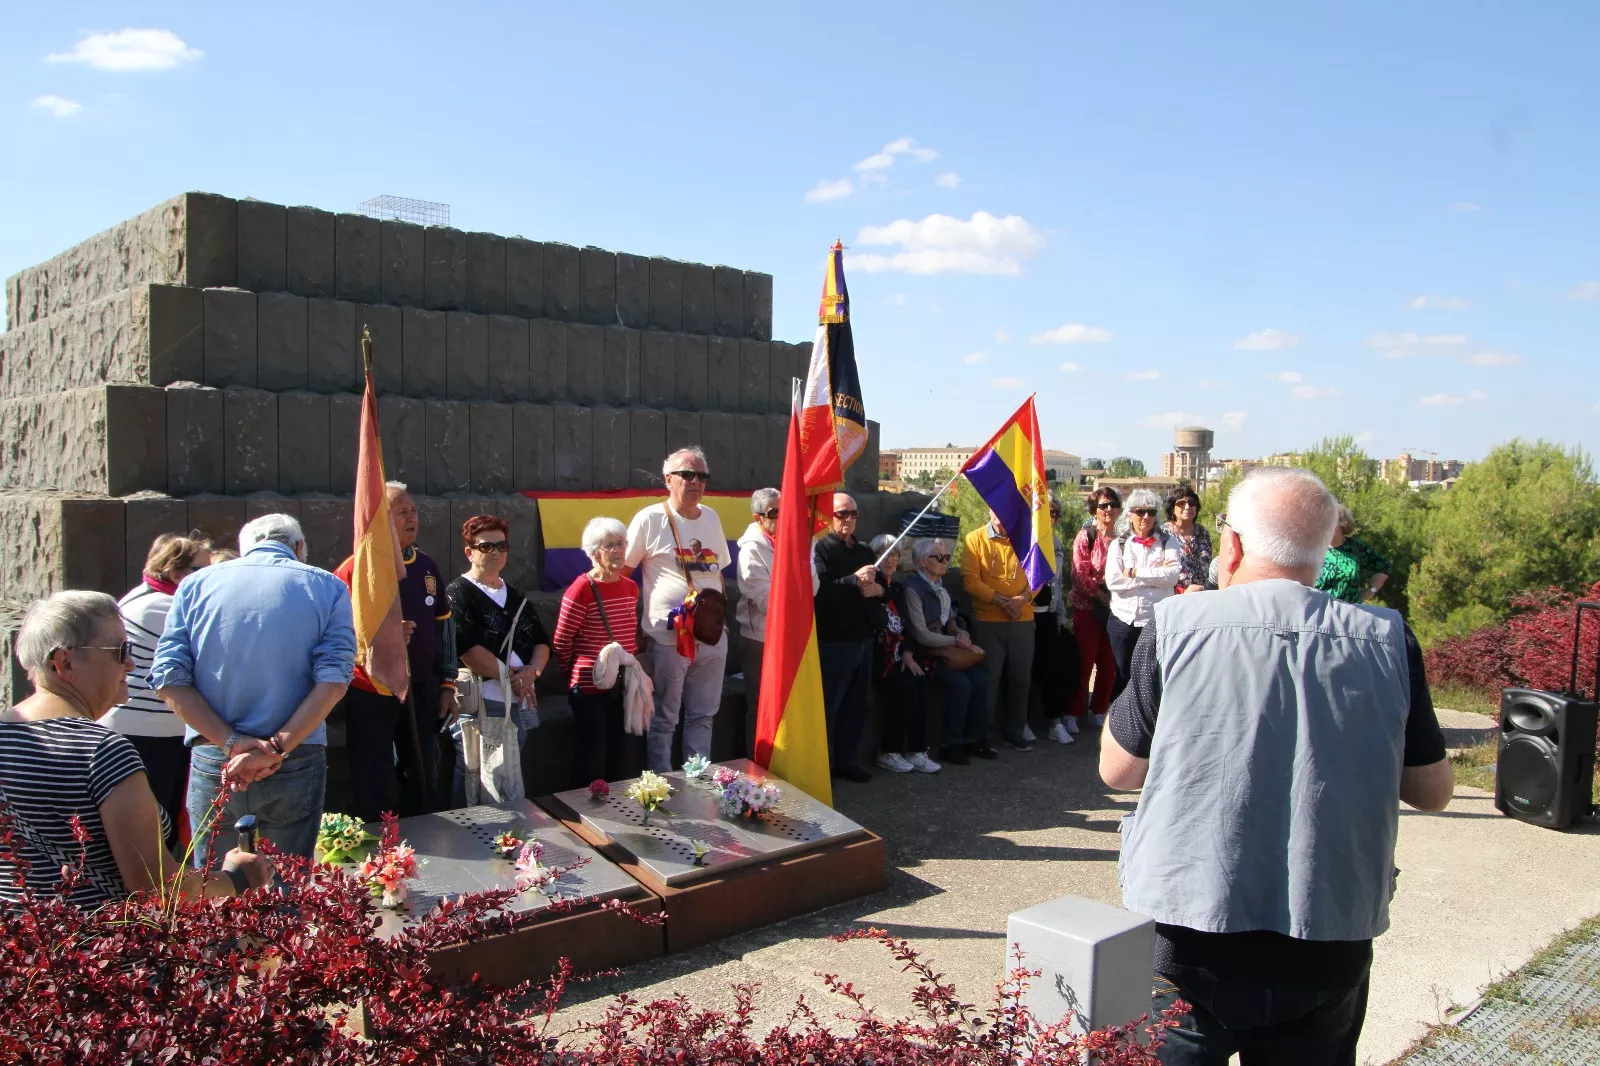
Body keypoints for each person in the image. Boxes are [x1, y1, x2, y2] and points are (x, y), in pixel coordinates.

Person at [1101, 466, 1453, 1065]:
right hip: (1329, 938)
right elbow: (1432, 789)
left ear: (1231, 544)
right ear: (1324, 551)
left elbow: (1118, 770)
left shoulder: (1177, 626)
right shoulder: (1390, 637)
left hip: (1193, 939)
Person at [1, 592, 275, 906]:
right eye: (120, 650)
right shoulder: (102, 752)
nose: (131, 664)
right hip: (97, 949)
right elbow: (156, 887)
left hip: (20, 947)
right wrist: (239, 877)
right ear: (65, 663)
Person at [150, 514, 355, 862]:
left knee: (212, 888)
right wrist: (277, 746)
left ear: (246, 549)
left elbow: (168, 677)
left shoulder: (195, 585)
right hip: (295, 754)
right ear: (299, 547)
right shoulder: (328, 586)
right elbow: (334, 680)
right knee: (285, 887)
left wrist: (231, 742)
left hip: (216, 754)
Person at [333, 482, 458, 820]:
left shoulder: (427, 566)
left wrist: (447, 682)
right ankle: (376, 848)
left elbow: (443, 626)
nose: (411, 517)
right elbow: (337, 632)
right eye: (401, 511)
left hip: (421, 688)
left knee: (421, 771)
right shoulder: (355, 569)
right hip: (372, 691)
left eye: (413, 510)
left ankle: (424, 835)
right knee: (373, 775)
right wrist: (384, 636)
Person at [626, 446, 732, 773]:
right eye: (688, 475)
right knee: (664, 718)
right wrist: (634, 632)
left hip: (712, 637)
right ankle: (661, 786)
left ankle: (696, 781)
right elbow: (624, 575)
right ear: (668, 479)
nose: (696, 481)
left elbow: (719, 574)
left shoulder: (712, 517)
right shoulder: (649, 518)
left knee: (703, 715)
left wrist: (718, 620)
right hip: (670, 638)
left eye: (702, 476)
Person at [104, 532, 212, 852]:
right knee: (154, 833)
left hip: (135, 730)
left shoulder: (138, 597)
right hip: (153, 735)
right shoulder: (166, 609)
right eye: (203, 571)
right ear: (178, 574)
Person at [446, 514, 551, 806]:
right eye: (486, 547)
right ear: (469, 552)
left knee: (509, 773)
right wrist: (513, 678)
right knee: (473, 770)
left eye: (501, 546)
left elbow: (543, 641)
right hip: (481, 701)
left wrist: (532, 672)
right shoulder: (458, 593)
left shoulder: (516, 596)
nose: (495, 552)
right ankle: (466, 833)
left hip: (518, 701)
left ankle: (506, 837)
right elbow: (465, 648)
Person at [553, 516, 644, 788]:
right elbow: (562, 639)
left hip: (623, 683)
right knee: (590, 753)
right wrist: (577, 671)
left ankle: (616, 808)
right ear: (593, 552)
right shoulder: (581, 589)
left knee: (620, 749)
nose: (617, 551)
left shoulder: (631, 587)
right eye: (609, 545)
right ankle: (584, 810)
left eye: (621, 544)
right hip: (589, 685)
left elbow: (631, 632)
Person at [812, 492, 884, 783]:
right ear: (829, 517)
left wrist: (877, 589)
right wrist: (855, 580)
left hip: (864, 637)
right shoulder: (820, 550)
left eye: (854, 513)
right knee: (831, 704)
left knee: (858, 704)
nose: (849, 519)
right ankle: (822, 766)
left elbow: (883, 587)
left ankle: (847, 760)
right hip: (835, 639)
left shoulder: (865, 550)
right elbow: (821, 592)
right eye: (842, 513)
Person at [903, 537, 991, 766]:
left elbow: (950, 618)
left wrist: (960, 632)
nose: (945, 562)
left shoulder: (939, 587)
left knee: (981, 681)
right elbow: (921, 634)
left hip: (948, 648)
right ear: (923, 562)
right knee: (961, 685)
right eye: (939, 557)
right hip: (927, 654)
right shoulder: (913, 590)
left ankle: (972, 739)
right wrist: (955, 640)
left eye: (947, 557)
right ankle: (951, 744)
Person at [962, 509, 1037, 752]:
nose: (1000, 513)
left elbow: (1038, 577)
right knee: (989, 679)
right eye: (995, 507)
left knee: (1021, 678)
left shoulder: (1029, 539)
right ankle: (984, 736)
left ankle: (1015, 731)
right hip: (988, 620)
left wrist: (1021, 600)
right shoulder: (974, 539)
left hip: (1022, 618)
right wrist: (1000, 600)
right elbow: (970, 580)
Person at [868, 535, 940, 774]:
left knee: (921, 683)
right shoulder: (869, 589)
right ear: (874, 557)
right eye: (883, 553)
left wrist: (908, 652)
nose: (889, 559)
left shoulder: (897, 589)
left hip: (901, 658)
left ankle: (917, 751)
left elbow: (908, 626)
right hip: (879, 661)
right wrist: (881, 593)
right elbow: (876, 624)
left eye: (894, 554)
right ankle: (889, 751)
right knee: (905, 688)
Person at [1103, 489, 1181, 702]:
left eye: (1151, 512)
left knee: (1151, 675)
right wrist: (1157, 577)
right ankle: (1119, 725)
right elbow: (1114, 582)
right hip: (1123, 619)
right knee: (1122, 675)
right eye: (1140, 511)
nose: (1146, 517)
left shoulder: (1168, 542)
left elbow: (1173, 576)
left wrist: (1136, 573)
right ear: (1129, 514)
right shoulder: (1118, 544)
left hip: (1155, 619)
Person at [1070, 487, 1121, 728]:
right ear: (1094, 510)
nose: (1108, 509)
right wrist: (1102, 596)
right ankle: (1073, 711)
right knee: (1083, 662)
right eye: (1103, 506)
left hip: (1117, 609)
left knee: (1109, 664)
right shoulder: (1086, 536)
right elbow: (1080, 574)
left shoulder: (1124, 539)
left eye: (1112, 504)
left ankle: (1100, 709)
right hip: (1088, 608)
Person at [736, 487, 781, 758]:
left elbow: (812, 588)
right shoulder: (751, 549)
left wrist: (807, 546)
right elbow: (766, 601)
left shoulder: (795, 541)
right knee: (760, 706)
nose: (782, 518)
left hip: (789, 637)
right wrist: (794, 591)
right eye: (774, 513)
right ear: (758, 518)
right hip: (759, 639)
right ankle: (757, 764)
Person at [1032, 498, 1080, 746]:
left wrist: (1060, 616)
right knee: (1025, 671)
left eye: (1054, 513)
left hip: (1049, 614)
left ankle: (1055, 722)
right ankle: (1023, 724)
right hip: (1025, 614)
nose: (1050, 517)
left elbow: (1058, 585)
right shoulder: (1023, 541)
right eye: (1045, 512)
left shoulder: (1056, 542)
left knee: (1055, 668)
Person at [1316, 505, 1392, 604]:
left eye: (1330, 524)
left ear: (1342, 525)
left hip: (1350, 613)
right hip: (1320, 611)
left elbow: (1384, 566)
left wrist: (1372, 590)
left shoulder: (1355, 548)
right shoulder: (1314, 548)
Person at [1162, 487, 1212, 593]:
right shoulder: (1163, 534)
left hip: (1203, 594)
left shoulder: (1203, 532)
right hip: (1173, 596)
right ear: (1172, 508)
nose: (1187, 507)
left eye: (1192, 503)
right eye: (1181, 504)